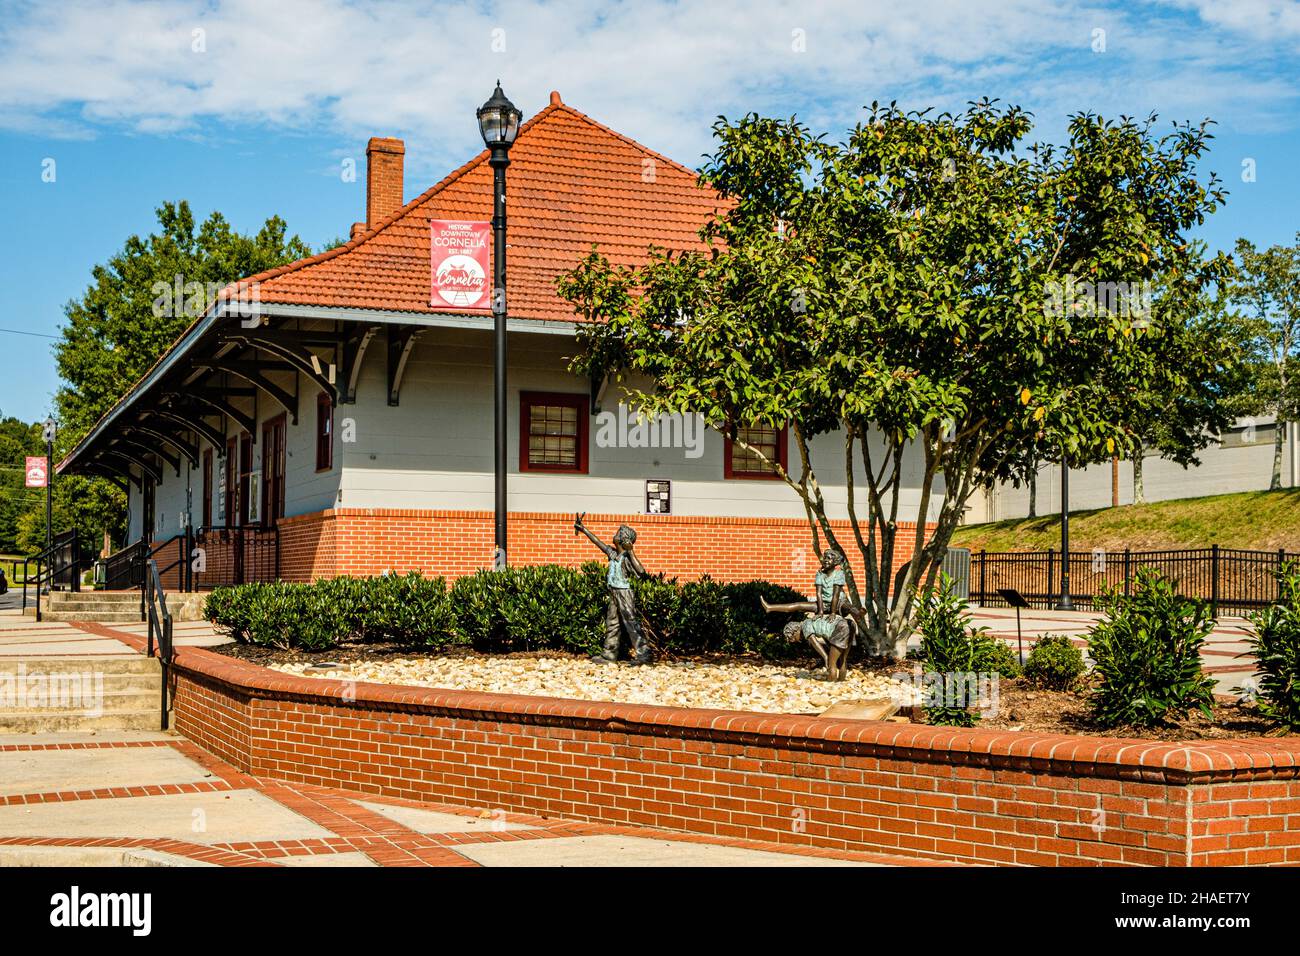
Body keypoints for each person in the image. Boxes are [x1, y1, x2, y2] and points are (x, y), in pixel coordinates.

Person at [761, 548, 855, 681]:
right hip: (824, 606)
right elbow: (818, 594)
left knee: (832, 663)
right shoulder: (820, 574)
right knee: (799, 605)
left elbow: (835, 595)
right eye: (824, 558)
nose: (825, 560)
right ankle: (770, 607)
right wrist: (821, 611)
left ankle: (831, 684)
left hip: (838, 604)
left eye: (828, 559)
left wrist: (833, 613)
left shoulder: (806, 627)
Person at [575, 513, 651, 665]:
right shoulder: (612, 554)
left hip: (624, 593)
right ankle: (609, 654)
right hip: (614, 592)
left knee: (631, 622)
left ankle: (644, 655)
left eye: (617, 533)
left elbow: (641, 572)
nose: (614, 535)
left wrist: (631, 551)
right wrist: (584, 529)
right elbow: (598, 542)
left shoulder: (627, 558)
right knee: (612, 622)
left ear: (623, 539)